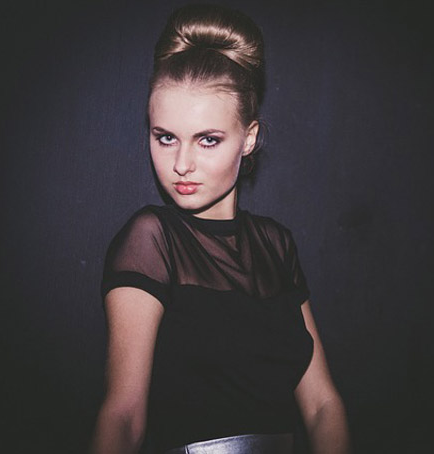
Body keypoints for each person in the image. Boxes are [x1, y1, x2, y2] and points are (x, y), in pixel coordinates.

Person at [92, 4, 350, 454]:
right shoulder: (151, 240)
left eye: (207, 140)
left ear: (248, 139)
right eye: (165, 137)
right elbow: (124, 418)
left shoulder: (275, 245)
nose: (181, 164)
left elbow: (323, 406)